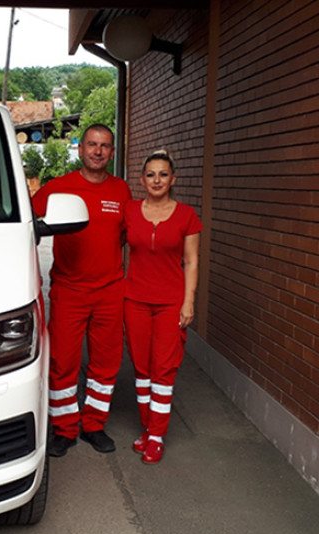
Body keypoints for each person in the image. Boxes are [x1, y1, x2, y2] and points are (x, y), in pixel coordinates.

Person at [32, 124, 132, 457]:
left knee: (106, 363)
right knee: (62, 361)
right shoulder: (58, 188)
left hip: (109, 291)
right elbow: (26, 220)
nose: (98, 151)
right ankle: (64, 428)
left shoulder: (121, 190)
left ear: (112, 153)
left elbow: (122, 236)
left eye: (104, 146)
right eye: (92, 144)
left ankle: (94, 425)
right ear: (80, 149)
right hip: (69, 290)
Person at [123, 149, 203, 464]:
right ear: (142, 180)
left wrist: (188, 301)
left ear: (173, 179)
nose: (157, 180)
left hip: (171, 302)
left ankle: (157, 436)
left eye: (163, 174)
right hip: (135, 300)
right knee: (141, 368)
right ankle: (147, 427)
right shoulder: (130, 211)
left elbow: (192, 262)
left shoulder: (186, 215)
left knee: (164, 368)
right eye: (151, 175)